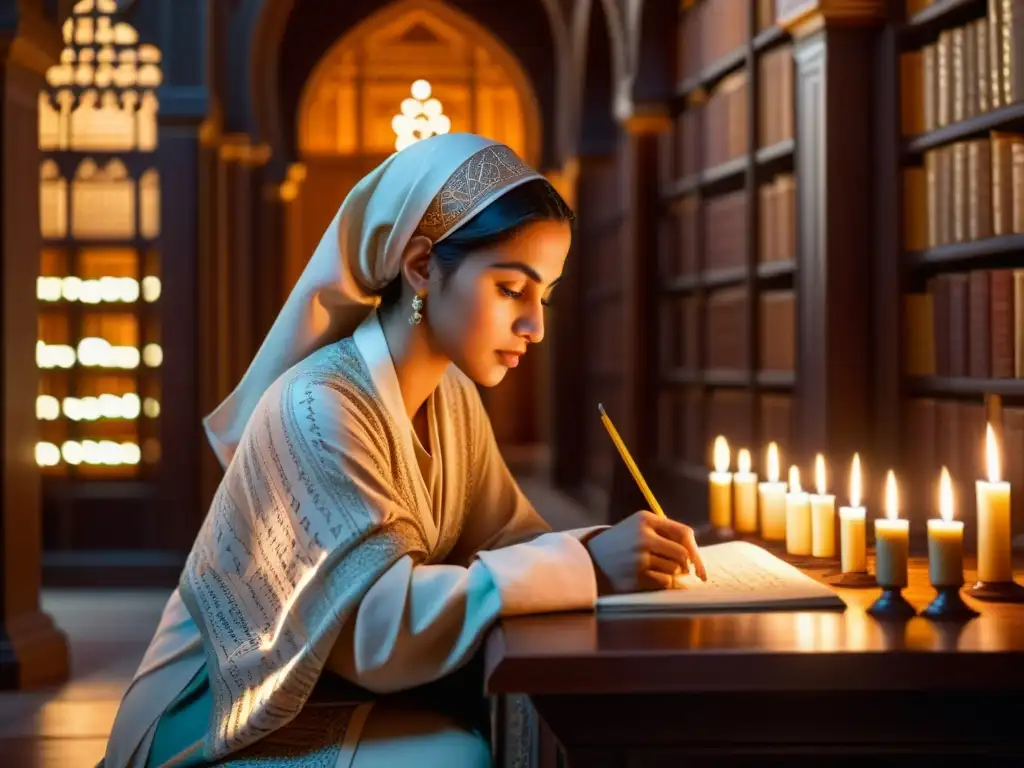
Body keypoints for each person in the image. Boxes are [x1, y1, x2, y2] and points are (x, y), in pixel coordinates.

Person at [101, 133, 705, 768]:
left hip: (334, 686)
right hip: (230, 700)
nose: (535, 326)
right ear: (421, 266)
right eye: (510, 289)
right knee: (459, 757)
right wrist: (585, 565)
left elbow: (505, 537)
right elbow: (373, 631)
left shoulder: (452, 394)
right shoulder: (317, 406)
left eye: (544, 296)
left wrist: (603, 550)